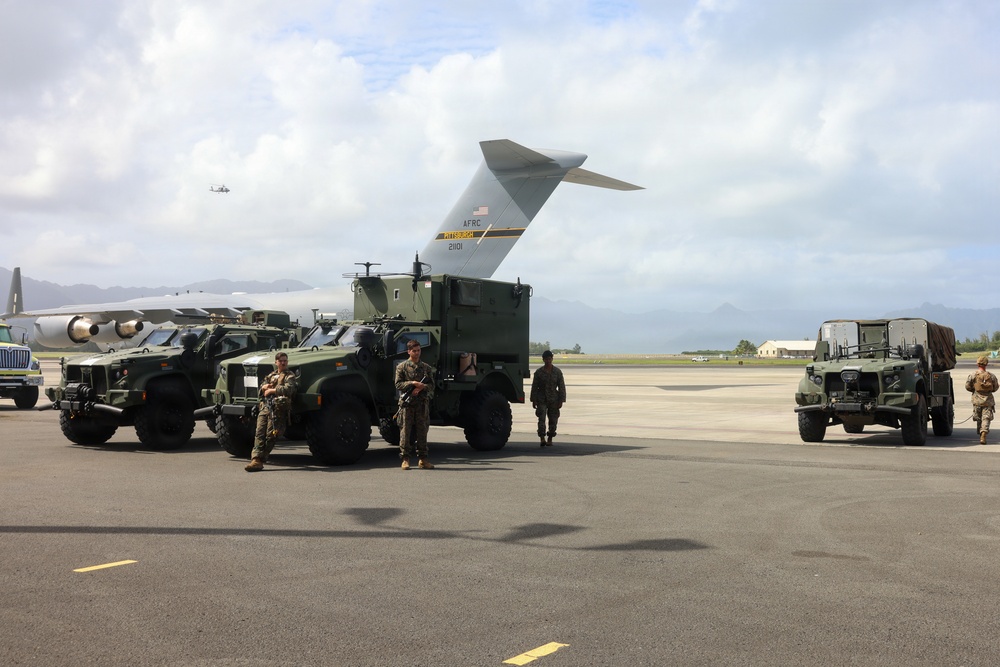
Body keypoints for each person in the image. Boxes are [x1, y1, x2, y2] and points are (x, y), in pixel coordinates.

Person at [245, 351, 298, 472]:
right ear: (276, 362)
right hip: (265, 407)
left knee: (271, 435)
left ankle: (260, 460)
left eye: (285, 360)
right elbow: (262, 388)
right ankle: (256, 458)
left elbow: (289, 389)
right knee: (259, 432)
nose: (283, 363)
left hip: (278, 409)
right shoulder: (271, 375)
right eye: (281, 361)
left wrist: (272, 391)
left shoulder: (289, 375)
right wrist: (263, 387)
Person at [394, 339, 436, 470]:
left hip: (422, 404)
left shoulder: (426, 368)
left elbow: (432, 385)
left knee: (422, 431)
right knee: (405, 431)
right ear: (409, 351)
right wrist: (412, 384)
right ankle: (405, 459)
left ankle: (423, 459)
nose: (417, 353)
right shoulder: (402, 367)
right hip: (407, 404)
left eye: (418, 350)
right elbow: (398, 384)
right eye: (414, 351)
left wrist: (422, 386)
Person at [530, 350, 566, 447]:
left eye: (549, 359)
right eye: (546, 359)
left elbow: (561, 386)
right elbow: (534, 386)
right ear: (543, 359)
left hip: (554, 399)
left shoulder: (557, 372)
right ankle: (542, 438)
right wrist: (533, 399)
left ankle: (550, 437)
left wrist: (561, 400)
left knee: (553, 419)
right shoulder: (539, 372)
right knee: (541, 419)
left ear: (552, 359)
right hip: (541, 398)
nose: (548, 361)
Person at [965, 355, 999, 445]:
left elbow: (967, 386)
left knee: (979, 417)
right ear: (986, 364)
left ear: (977, 363)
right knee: (986, 417)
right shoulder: (991, 376)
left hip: (977, 400)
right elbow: (995, 388)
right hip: (988, 400)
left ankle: (981, 432)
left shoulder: (973, 375)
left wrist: (974, 390)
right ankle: (984, 432)